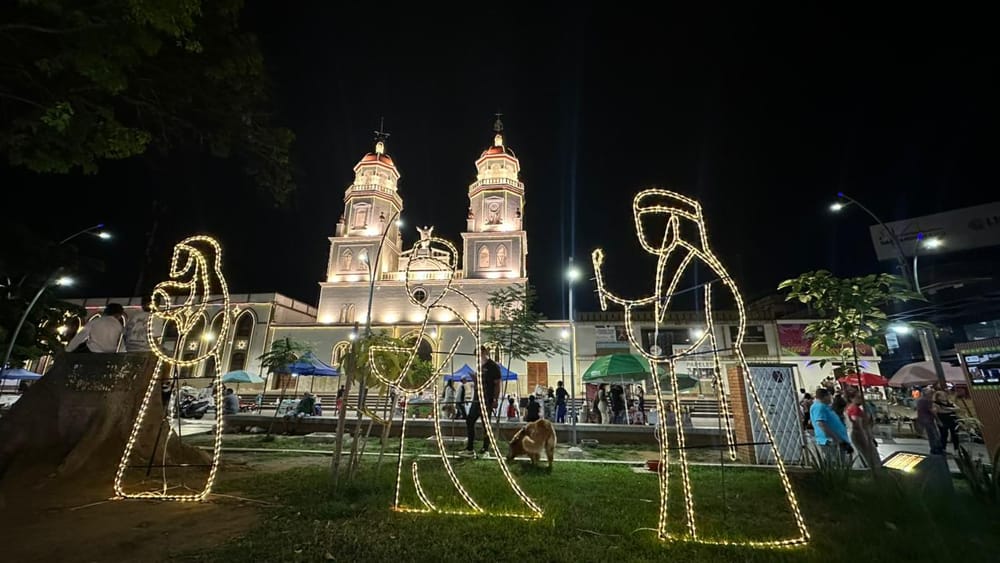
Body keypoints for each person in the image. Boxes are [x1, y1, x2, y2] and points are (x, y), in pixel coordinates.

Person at [465, 347, 501, 455]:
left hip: (487, 399)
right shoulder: (480, 367)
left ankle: (485, 448)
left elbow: (497, 384)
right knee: (470, 420)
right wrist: (475, 379)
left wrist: (495, 399)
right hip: (476, 399)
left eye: (478, 355)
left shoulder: (493, 366)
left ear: (485, 353)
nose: (477, 357)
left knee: (486, 425)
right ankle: (470, 447)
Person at [810, 388, 852, 464]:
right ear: (825, 396)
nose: (831, 398)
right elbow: (821, 423)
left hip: (837, 439)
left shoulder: (825, 406)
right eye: (830, 396)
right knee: (837, 462)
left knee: (843, 461)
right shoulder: (819, 407)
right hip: (830, 440)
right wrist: (836, 438)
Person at [845, 390, 881, 470]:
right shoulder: (855, 409)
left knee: (865, 454)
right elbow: (858, 425)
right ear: (851, 398)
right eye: (858, 397)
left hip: (859, 433)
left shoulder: (852, 408)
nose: (861, 399)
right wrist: (865, 438)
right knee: (867, 454)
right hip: (860, 434)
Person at [916, 386, 943, 455]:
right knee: (934, 434)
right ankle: (936, 448)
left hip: (923, 419)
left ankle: (934, 448)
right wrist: (938, 420)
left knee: (931, 434)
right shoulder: (927, 400)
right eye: (930, 392)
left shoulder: (921, 400)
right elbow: (932, 411)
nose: (931, 394)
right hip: (928, 419)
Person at [933, 389, 960, 454]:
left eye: (945, 395)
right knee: (944, 435)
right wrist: (950, 410)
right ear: (938, 397)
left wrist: (948, 409)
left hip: (952, 419)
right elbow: (938, 411)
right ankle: (943, 449)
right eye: (942, 395)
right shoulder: (935, 403)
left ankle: (956, 449)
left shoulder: (949, 402)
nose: (944, 396)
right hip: (943, 419)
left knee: (955, 434)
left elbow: (957, 408)